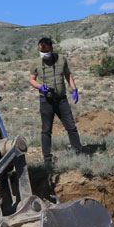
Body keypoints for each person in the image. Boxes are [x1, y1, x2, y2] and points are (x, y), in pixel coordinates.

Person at [28, 36, 83, 166]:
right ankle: (47, 159)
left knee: (71, 127)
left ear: (52, 49)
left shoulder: (61, 59)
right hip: (46, 101)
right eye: (42, 52)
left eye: (46, 52)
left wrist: (74, 89)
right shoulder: (35, 63)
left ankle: (78, 153)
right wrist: (40, 87)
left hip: (61, 100)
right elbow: (31, 79)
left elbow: (68, 75)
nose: (44, 55)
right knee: (46, 130)